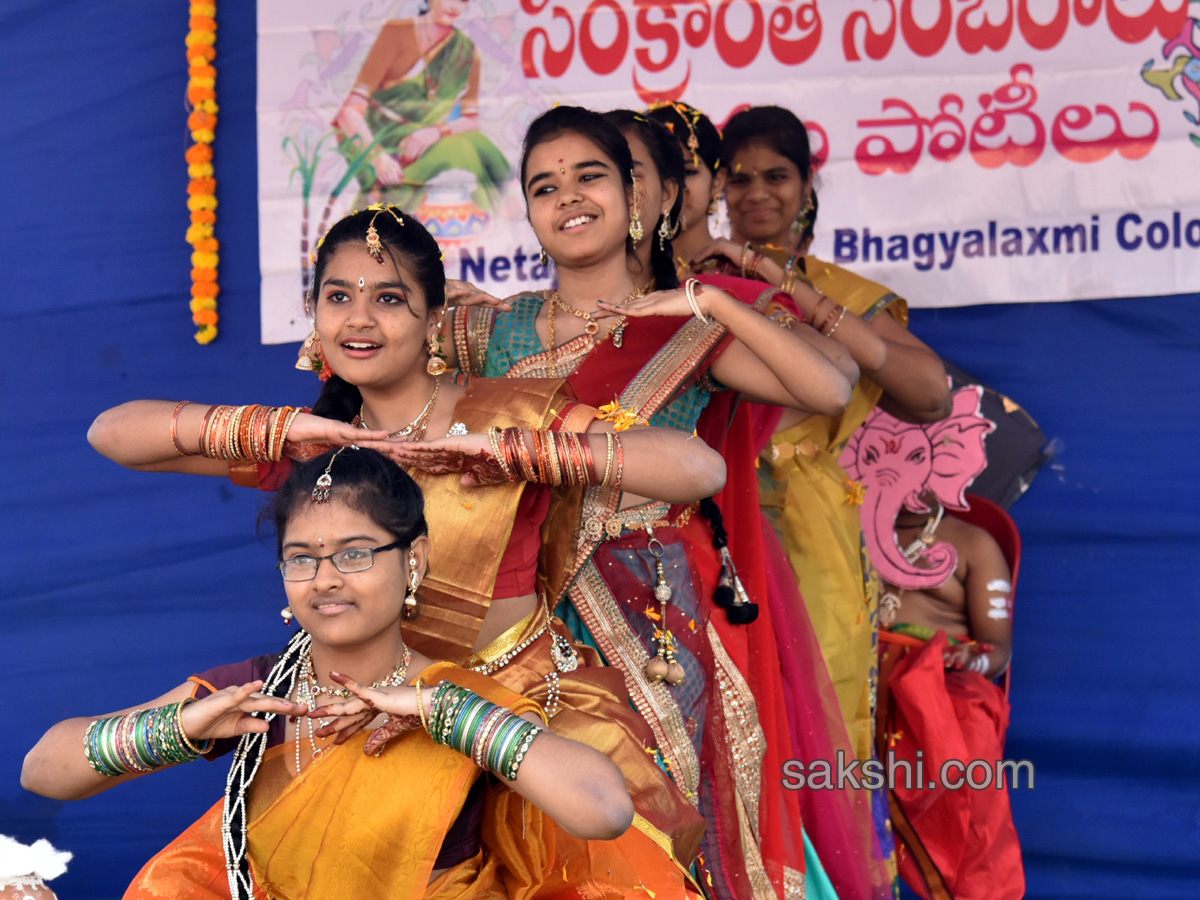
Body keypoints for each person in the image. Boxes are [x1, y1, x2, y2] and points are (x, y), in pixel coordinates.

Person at [86, 205, 722, 884]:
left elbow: (699, 469)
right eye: (338, 298)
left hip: (522, 703)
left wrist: (523, 452)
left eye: (389, 299)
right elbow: (113, 433)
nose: (358, 320)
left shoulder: (511, 412)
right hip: (376, 707)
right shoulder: (320, 445)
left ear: (433, 316)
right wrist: (273, 431)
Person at [443, 104, 854, 900]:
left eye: (590, 175)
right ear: (528, 214)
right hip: (515, 616)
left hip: (648, 615)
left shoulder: (688, 329)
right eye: (543, 186)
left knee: (660, 819)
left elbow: (829, 387)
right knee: (536, 831)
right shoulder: (486, 329)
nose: (568, 197)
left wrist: (709, 305)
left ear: (639, 197)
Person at [22, 448, 660, 898]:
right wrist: (180, 727)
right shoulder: (256, 691)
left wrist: (441, 713)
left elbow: (603, 810)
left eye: (355, 554)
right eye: (301, 558)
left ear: (414, 561)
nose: (325, 580)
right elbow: (43, 771)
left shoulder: (457, 698)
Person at [648, 99, 894, 900]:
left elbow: (878, 385)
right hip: (629, 566)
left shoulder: (735, 290)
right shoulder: (585, 300)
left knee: (784, 751)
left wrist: (763, 285)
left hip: (755, 553)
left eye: (679, 170)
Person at [712, 106, 951, 778]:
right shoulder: (693, 277)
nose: (756, 192)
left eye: (775, 175)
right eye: (739, 177)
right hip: (710, 514)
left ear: (807, 185)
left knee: (820, 724)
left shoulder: (839, 292)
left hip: (811, 530)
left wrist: (789, 289)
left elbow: (930, 394)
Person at [873, 494, 1023, 900]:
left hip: (939, 681)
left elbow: (998, 649)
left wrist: (970, 659)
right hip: (855, 669)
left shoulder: (973, 544)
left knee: (969, 725)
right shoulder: (848, 526)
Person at [333, 0, 510, 211]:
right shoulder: (396, 33)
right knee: (460, 149)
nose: (455, 6)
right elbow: (349, 113)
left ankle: (512, 208)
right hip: (374, 134)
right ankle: (369, 222)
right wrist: (378, 158)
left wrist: (435, 132)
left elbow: (471, 121)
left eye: (463, 0)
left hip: (420, 137)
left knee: (479, 143)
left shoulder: (466, 52)